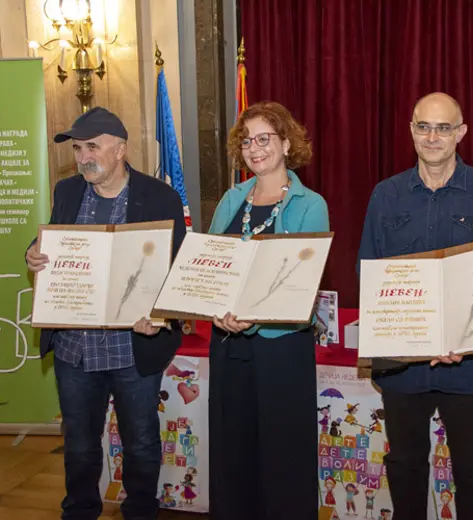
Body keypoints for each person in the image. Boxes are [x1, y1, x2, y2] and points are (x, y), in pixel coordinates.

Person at [357, 92, 473, 519]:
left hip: (470, 362)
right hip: (403, 364)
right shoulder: (386, 194)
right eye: (423, 126)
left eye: (443, 128)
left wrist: (462, 338)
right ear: (411, 130)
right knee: (404, 466)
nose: (432, 137)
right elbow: (369, 271)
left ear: (460, 133)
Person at [25, 107, 186, 520]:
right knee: (79, 445)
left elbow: (176, 269)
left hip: (133, 348)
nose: (83, 157)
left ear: (120, 150)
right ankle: (79, 512)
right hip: (74, 349)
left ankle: (141, 512)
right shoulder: (67, 191)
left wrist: (160, 315)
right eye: (77, 149)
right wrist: (34, 254)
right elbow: (54, 240)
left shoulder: (159, 197)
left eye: (92, 147)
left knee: (141, 443)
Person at [207, 101, 329, 519]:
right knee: (232, 452)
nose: (254, 148)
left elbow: (302, 284)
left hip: (282, 349)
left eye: (264, 139)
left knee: (283, 455)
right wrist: (214, 308)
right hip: (228, 346)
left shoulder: (311, 204)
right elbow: (211, 264)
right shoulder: (231, 199)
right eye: (246, 141)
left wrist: (254, 317)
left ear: (287, 143)